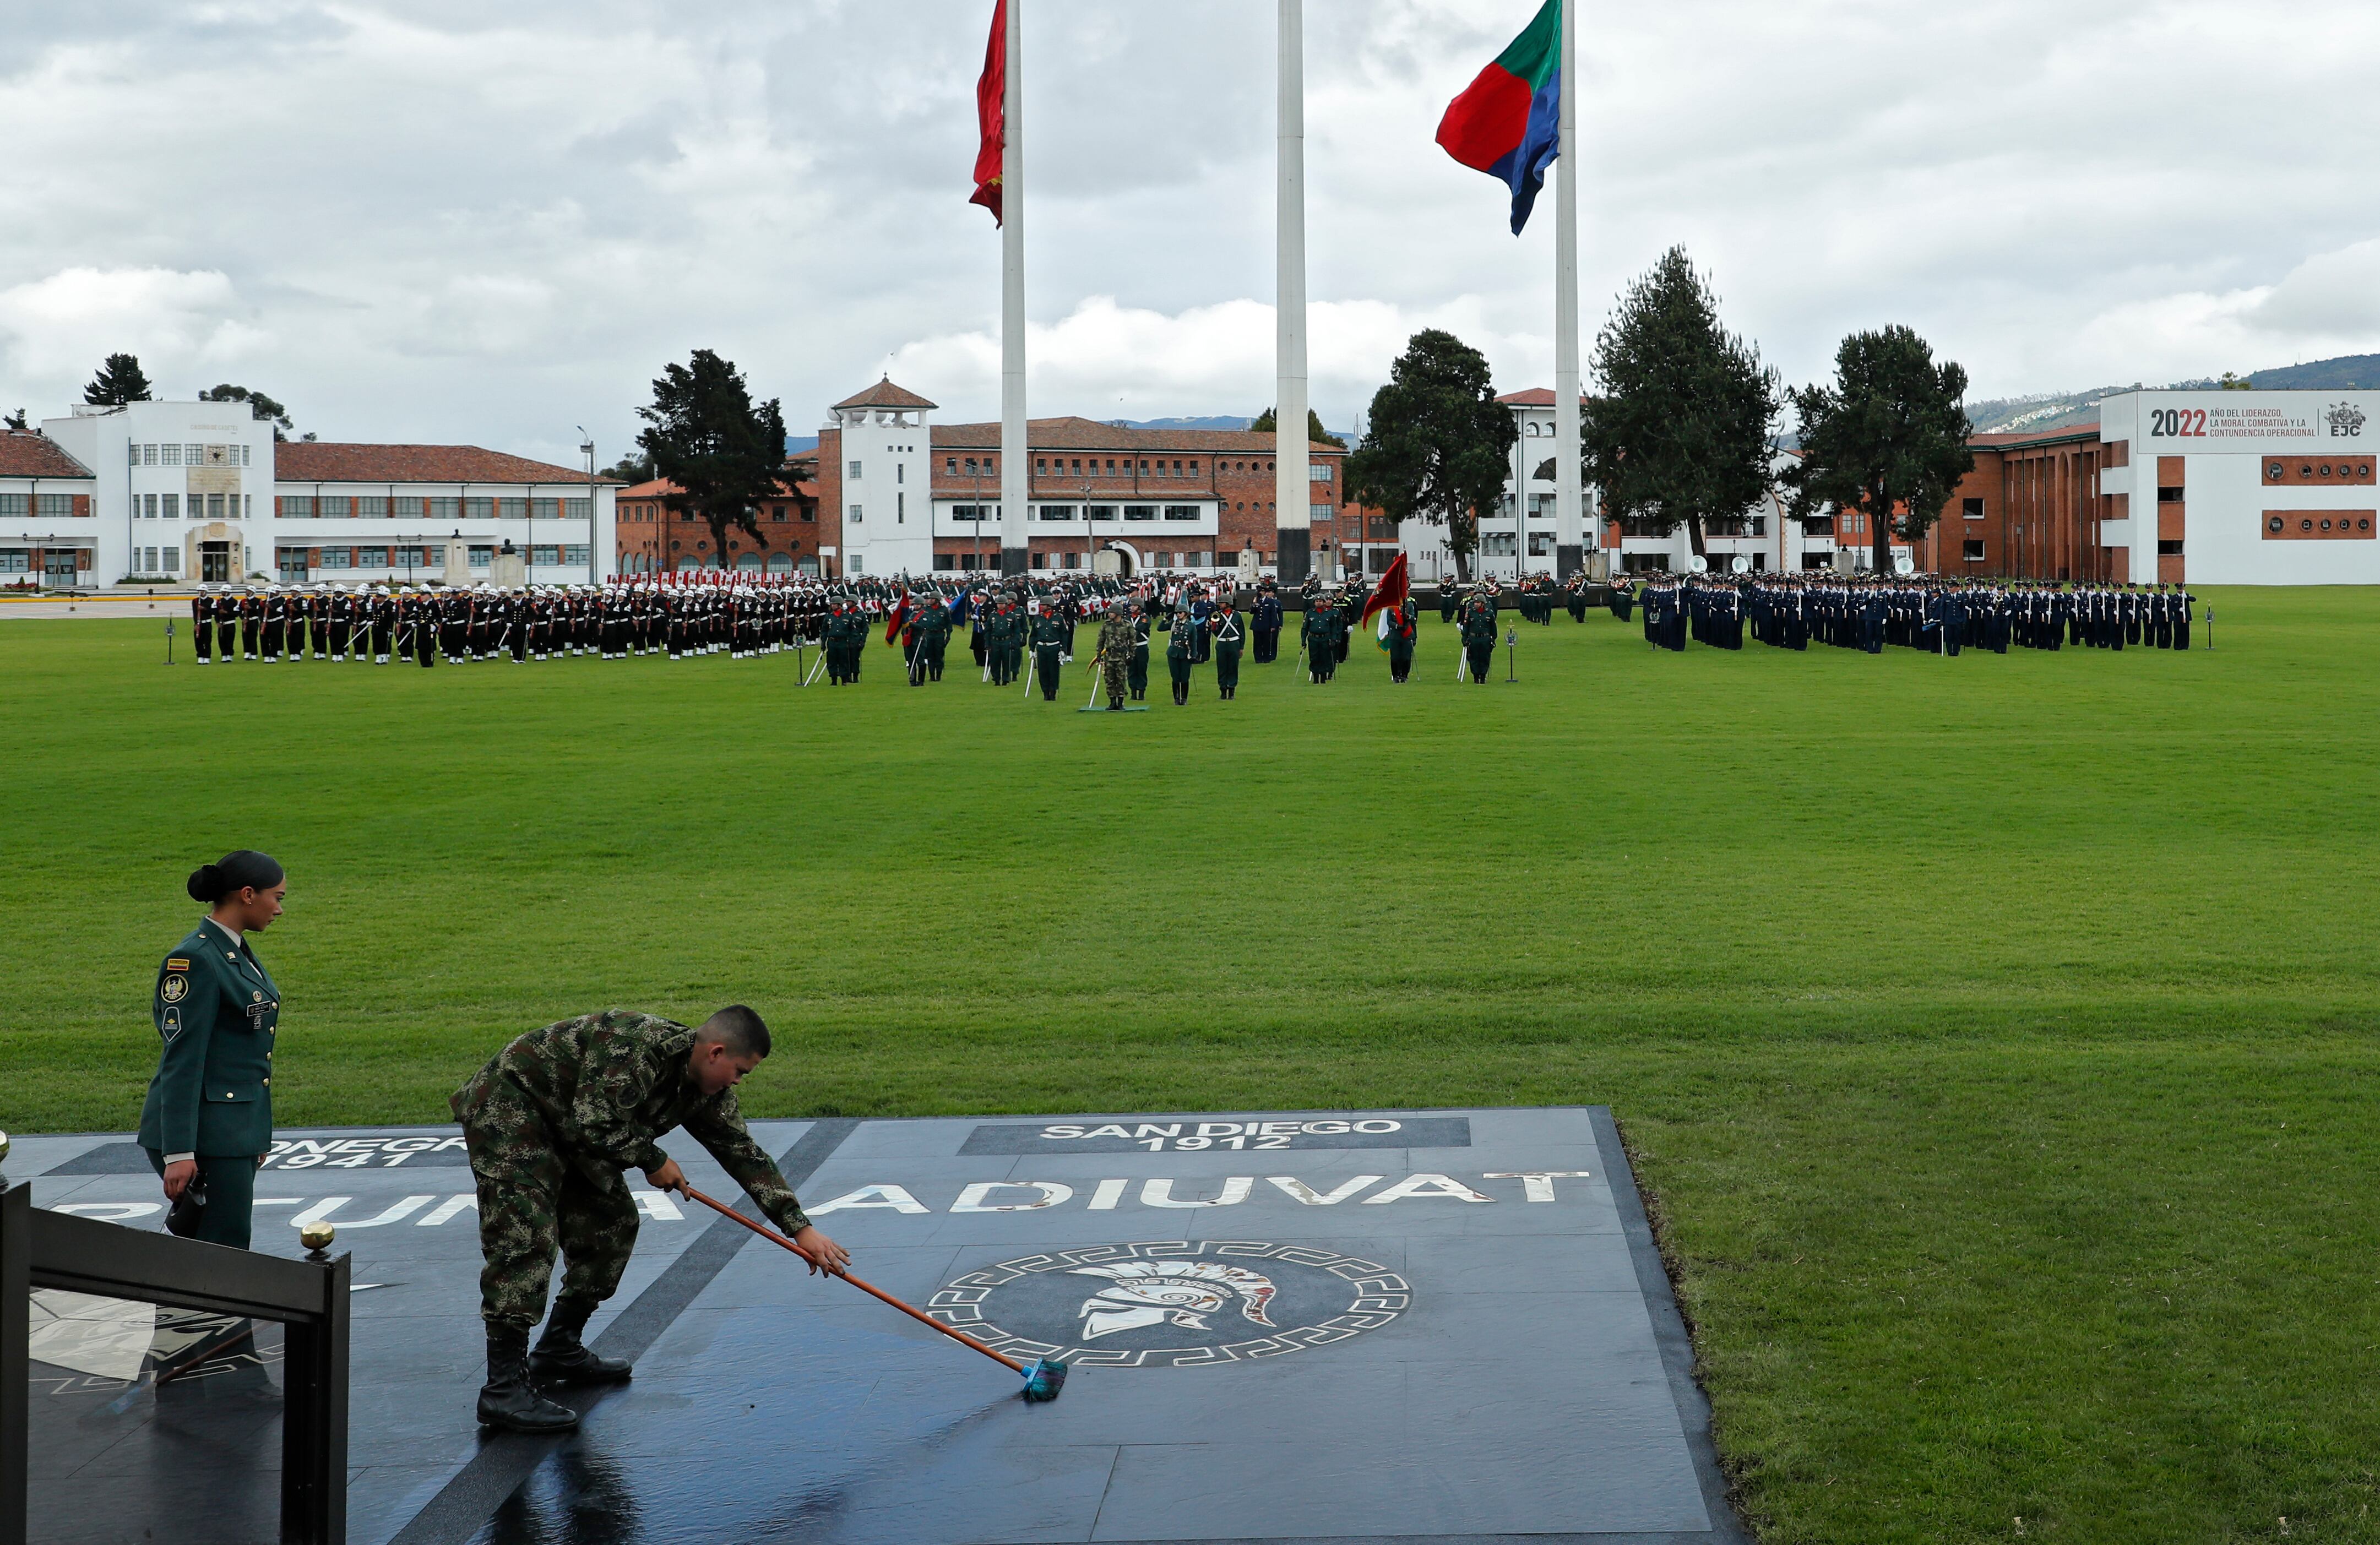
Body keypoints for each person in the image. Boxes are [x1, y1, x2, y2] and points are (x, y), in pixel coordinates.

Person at [451, 1005, 849, 1434]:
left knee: (613, 1224)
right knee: (525, 1238)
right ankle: (503, 1389)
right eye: (739, 1071)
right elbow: (595, 1122)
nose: (736, 1082)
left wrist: (799, 1228)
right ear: (715, 1052)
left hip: (572, 1127)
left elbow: (743, 1153)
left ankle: (559, 1348)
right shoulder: (636, 1049)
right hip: (514, 1109)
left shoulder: (705, 1089)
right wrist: (652, 1158)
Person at [140, 851, 286, 1252]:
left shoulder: (232, 951)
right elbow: (182, 1060)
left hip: (232, 1132)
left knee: (224, 1247)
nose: (279, 909)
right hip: (205, 1136)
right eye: (277, 897)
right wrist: (180, 1152)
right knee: (221, 1251)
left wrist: (253, 1136)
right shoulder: (194, 960)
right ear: (247, 895)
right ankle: (201, 1319)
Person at [1096, 601, 1134, 710]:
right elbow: (1101, 640)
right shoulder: (1106, 625)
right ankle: (1112, 701)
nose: (1109, 614)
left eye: (1111, 612)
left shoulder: (1127, 625)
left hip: (1121, 656)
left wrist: (1131, 656)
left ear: (1118, 613)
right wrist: (1099, 654)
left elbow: (1132, 641)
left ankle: (1121, 702)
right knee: (1109, 679)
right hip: (1109, 656)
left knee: (1121, 679)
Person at [1209, 594, 1245, 699]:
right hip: (1222, 644)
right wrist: (1214, 627)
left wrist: (1241, 647)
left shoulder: (1237, 615)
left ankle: (1232, 691)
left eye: (1222, 603)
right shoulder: (1217, 615)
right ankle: (1223, 691)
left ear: (1228, 603)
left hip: (1234, 644)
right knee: (1222, 668)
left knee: (1233, 668)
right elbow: (1216, 633)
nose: (1220, 605)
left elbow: (1242, 632)